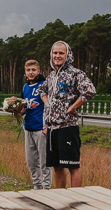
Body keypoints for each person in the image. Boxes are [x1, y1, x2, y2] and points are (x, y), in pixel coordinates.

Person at [38, 41, 96, 188]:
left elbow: (90, 91)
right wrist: (47, 104)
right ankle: (61, 199)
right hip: (52, 129)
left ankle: (74, 200)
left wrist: (73, 107)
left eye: (61, 53)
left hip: (67, 127)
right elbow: (42, 91)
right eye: (55, 53)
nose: (57, 56)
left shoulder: (75, 73)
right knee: (57, 167)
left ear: (68, 55)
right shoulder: (51, 76)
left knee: (72, 165)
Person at [16, 59, 51, 189]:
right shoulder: (25, 87)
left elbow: (49, 106)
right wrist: (18, 112)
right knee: (31, 161)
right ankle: (37, 186)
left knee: (44, 161)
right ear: (25, 72)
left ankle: (46, 187)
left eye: (33, 70)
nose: (31, 73)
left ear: (38, 71)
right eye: (28, 70)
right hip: (28, 127)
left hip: (40, 128)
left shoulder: (44, 85)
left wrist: (48, 126)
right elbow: (26, 107)